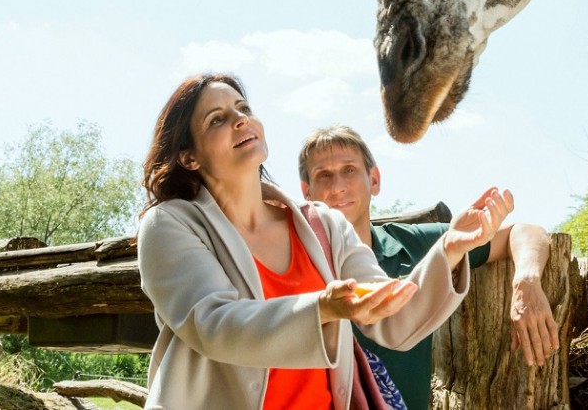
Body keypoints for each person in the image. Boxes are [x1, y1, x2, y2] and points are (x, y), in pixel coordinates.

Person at [137, 73, 515, 410]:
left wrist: (451, 248)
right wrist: (322, 308)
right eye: (217, 119)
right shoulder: (168, 225)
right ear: (188, 156)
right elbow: (213, 324)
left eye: (243, 107)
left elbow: (392, 317)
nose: (240, 120)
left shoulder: (324, 224)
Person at [298, 125, 558, 410]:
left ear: (374, 180)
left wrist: (527, 281)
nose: (337, 187)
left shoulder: (418, 243)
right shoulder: (294, 262)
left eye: (349, 170)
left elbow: (524, 231)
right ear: (306, 191)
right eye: (324, 175)